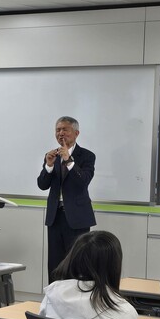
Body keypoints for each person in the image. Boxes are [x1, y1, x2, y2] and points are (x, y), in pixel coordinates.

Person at [38, 116, 96, 278]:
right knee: (55, 264)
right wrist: (48, 166)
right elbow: (42, 184)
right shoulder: (52, 156)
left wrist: (68, 160)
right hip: (55, 217)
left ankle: (75, 300)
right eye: (58, 130)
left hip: (77, 219)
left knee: (77, 262)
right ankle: (53, 299)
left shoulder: (87, 156)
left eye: (65, 129)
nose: (61, 133)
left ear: (76, 133)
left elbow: (83, 182)